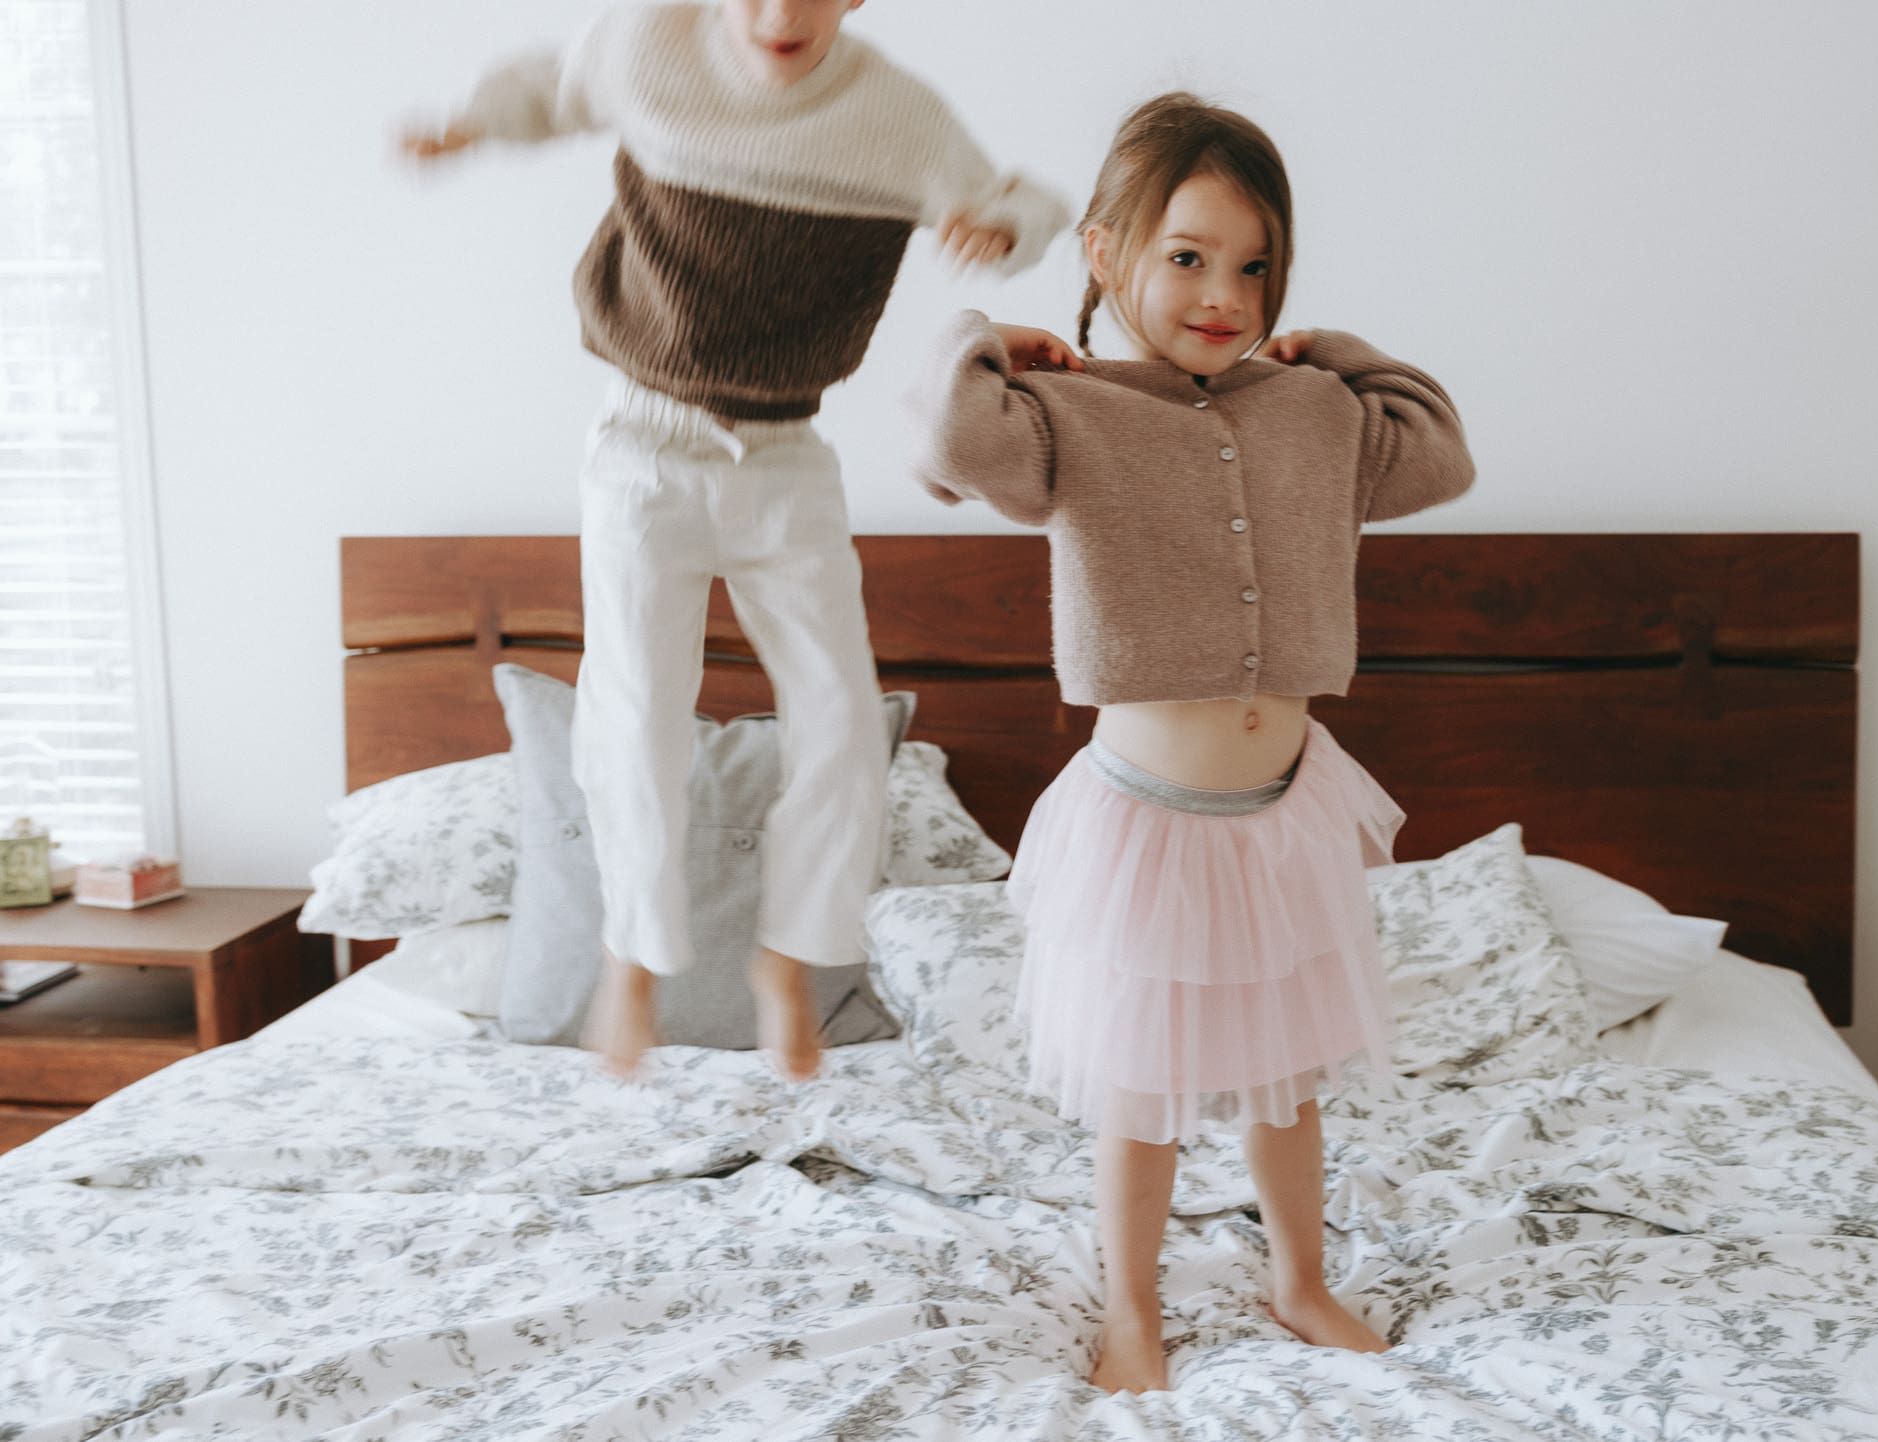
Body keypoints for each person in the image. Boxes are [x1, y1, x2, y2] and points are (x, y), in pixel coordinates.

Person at [909, 92, 1476, 1394]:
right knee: (1140, 1088)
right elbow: (943, 436)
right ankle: (1131, 1308)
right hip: (1146, 819)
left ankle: (1300, 1278)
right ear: (1107, 253)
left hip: (1285, 814)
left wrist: (1338, 350)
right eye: (1186, 256)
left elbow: (1439, 457)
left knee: (1288, 1072)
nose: (1223, 292)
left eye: (1253, 264)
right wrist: (987, 336)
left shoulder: (1314, 411)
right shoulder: (1069, 417)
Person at [405, 0, 1066, 1082]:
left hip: (783, 453)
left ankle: (791, 959)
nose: (777, 15)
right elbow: (549, 83)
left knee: (844, 716)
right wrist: (471, 121)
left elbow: (1017, 199)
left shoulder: (897, 117)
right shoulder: (648, 47)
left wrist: (1003, 229)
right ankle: (634, 950)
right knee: (634, 709)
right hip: (641, 441)